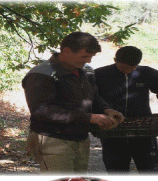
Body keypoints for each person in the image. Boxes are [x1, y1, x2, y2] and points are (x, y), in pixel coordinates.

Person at [22, 32, 124, 172]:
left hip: (81, 138)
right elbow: (41, 111)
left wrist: (106, 109)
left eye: (91, 56)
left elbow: (93, 96)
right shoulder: (41, 74)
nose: (88, 61)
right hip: (52, 139)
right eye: (84, 56)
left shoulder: (86, 70)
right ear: (66, 51)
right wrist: (90, 118)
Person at [94, 46, 158, 172]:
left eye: (132, 68)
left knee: (150, 168)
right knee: (116, 169)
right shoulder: (99, 74)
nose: (127, 71)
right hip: (112, 127)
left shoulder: (148, 74)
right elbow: (93, 98)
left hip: (143, 127)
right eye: (123, 67)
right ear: (115, 60)